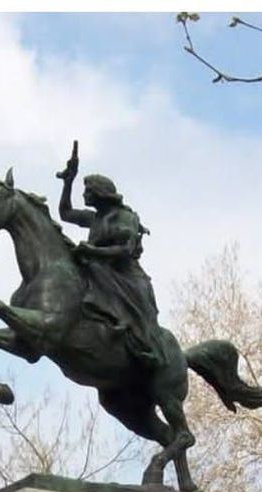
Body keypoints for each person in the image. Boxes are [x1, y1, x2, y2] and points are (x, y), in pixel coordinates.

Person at [56, 141, 163, 371]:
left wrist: (91, 251)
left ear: (99, 193)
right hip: (101, 270)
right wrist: (69, 180)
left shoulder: (124, 217)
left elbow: (125, 251)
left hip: (128, 277)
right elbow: (65, 213)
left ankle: (144, 345)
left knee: (132, 307)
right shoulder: (94, 218)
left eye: (87, 190)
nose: (84, 194)